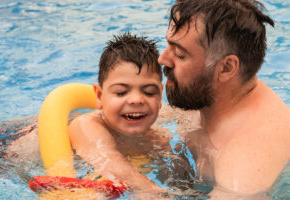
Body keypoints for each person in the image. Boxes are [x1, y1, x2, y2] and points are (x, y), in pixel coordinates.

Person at [158, 0, 290, 197]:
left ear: (226, 68)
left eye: (179, 54)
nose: (163, 59)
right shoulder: (204, 94)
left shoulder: (244, 168)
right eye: (169, 46)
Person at [67, 32, 192, 198]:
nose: (136, 100)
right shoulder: (86, 126)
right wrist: (156, 193)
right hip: (23, 139)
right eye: (121, 92)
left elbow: (179, 178)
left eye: (148, 92)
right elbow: (110, 163)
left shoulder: (159, 139)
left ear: (160, 95)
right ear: (99, 96)